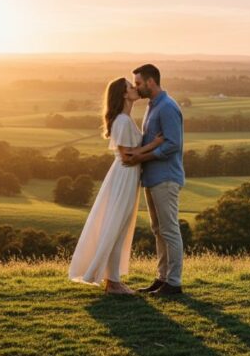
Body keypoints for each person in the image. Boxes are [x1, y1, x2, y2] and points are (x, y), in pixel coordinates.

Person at [68, 77, 164, 295]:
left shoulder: (125, 119)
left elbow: (131, 154)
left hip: (128, 176)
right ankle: (112, 282)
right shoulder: (121, 121)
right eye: (131, 87)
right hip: (124, 176)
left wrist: (147, 149)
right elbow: (126, 156)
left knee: (119, 225)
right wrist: (155, 145)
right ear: (123, 94)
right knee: (115, 225)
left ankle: (113, 279)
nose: (135, 89)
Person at [123, 64, 185, 296]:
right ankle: (162, 278)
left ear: (150, 82)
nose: (137, 88)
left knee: (169, 230)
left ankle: (174, 282)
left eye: (138, 83)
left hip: (166, 177)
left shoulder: (167, 107)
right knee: (158, 230)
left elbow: (172, 145)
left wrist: (141, 156)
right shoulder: (153, 106)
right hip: (153, 177)